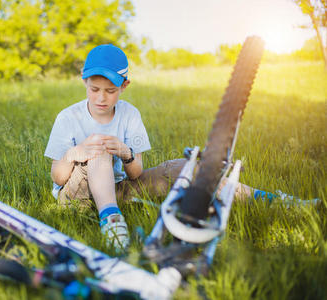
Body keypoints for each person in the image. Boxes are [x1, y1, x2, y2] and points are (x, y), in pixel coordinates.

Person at [44, 44, 318, 251]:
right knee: (99, 152)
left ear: (124, 86)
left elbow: (136, 173)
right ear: (84, 82)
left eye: (110, 90)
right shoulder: (68, 117)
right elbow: (58, 176)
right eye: (94, 89)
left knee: (186, 167)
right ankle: (113, 224)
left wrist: (125, 152)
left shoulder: (130, 115)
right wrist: (74, 153)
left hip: (119, 189)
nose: (101, 97)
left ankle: (276, 201)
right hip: (76, 197)